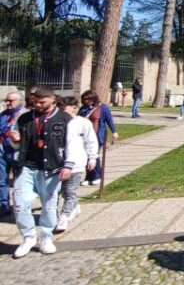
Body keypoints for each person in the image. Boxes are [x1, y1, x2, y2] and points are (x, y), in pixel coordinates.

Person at [7, 87, 74, 258]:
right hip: (26, 167)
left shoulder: (64, 118)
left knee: (49, 206)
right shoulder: (24, 118)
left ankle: (46, 237)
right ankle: (28, 237)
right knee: (20, 204)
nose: (37, 105)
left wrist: (68, 165)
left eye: (42, 102)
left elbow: (71, 144)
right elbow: (16, 143)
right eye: (35, 102)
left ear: (52, 99)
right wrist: (16, 141)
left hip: (51, 168)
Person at [54, 96, 98, 232]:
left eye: (63, 109)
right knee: (60, 192)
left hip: (77, 162)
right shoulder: (56, 122)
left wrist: (92, 157)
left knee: (70, 191)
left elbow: (91, 141)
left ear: (74, 108)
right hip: (58, 162)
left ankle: (64, 217)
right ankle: (74, 206)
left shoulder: (82, 123)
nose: (60, 112)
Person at [79, 89, 118, 185]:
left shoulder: (103, 107)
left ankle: (97, 176)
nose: (86, 101)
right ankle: (89, 177)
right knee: (87, 157)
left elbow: (109, 120)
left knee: (94, 156)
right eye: (84, 99)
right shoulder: (83, 108)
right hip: (85, 136)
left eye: (88, 99)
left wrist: (114, 131)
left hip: (97, 136)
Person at [0, 91, 27, 217]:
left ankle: (19, 206)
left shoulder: (25, 115)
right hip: (3, 150)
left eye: (11, 100)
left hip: (17, 151)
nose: (8, 103)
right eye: (7, 100)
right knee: (2, 179)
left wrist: (20, 138)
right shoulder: (3, 115)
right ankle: (4, 205)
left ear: (19, 101)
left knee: (19, 181)